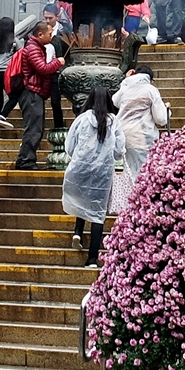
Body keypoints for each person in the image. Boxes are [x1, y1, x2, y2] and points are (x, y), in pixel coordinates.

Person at [61, 83, 122, 265]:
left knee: (81, 199)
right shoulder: (114, 122)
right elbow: (119, 150)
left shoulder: (82, 119)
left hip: (80, 167)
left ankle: (78, 232)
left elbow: (69, 146)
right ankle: (92, 258)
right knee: (98, 212)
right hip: (102, 173)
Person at [113, 61, 169, 215]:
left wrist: (125, 81)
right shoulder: (151, 90)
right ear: (149, 78)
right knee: (142, 173)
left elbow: (115, 101)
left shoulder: (125, 89)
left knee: (127, 172)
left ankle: (126, 209)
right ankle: (141, 210)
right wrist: (167, 110)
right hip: (142, 137)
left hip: (122, 137)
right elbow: (161, 119)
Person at [13, 18, 66, 169]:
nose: (52, 36)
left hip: (36, 92)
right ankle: (25, 160)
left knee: (37, 127)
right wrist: (57, 62)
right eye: (49, 34)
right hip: (31, 92)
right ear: (40, 35)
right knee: (33, 128)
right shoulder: (33, 48)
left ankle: (27, 158)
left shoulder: (37, 47)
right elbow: (42, 68)